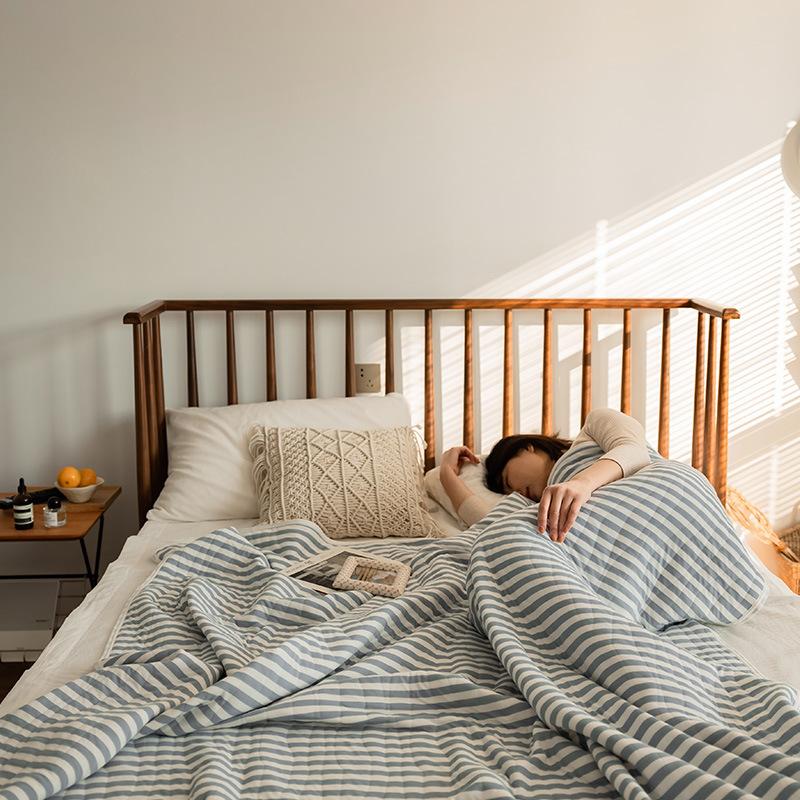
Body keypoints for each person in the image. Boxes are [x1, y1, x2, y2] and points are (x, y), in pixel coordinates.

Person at [439, 408, 651, 543]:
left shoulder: (593, 429)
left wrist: (582, 484)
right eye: (507, 492)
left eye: (507, 481)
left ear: (526, 448)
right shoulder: (544, 507)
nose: (516, 493)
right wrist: (447, 475)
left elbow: (635, 450)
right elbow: (493, 527)